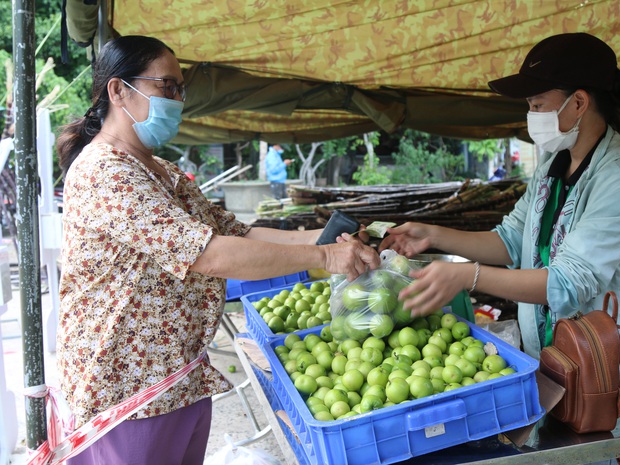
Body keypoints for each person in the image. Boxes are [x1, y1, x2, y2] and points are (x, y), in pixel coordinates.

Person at [55, 35, 379, 465]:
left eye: (180, 89)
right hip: (127, 391)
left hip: (179, 377)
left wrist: (330, 238)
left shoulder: (163, 171)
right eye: (166, 87)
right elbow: (207, 254)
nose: (177, 100)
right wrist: (324, 258)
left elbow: (240, 235)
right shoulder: (104, 172)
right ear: (118, 91)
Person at [380, 32, 620, 402]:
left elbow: (567, 284)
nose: (531, 116)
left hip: (607, 379)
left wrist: (469, 275)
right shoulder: (553, 165)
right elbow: (512, 240)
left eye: (537, 104)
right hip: (554, 360)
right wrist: (433, 235)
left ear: (579, 102)